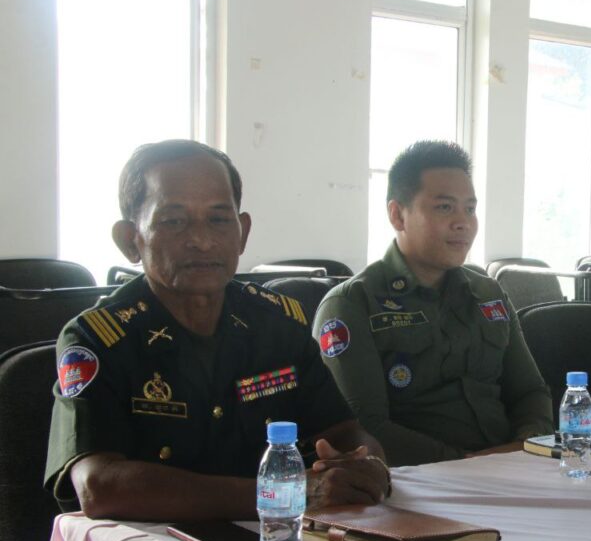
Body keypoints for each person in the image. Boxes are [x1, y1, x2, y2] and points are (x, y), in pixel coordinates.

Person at [44, 140, 390, 520]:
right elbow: (99, 486)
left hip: (275, 540)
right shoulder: (98, 338)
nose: (202, 240)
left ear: (242, 232)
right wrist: (284, 495)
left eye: (219, 220)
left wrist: (369, 463)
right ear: (130, 240)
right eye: (174, 221)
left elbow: (342, 432)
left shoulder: (279, 324)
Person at [314, 140, 552, 466]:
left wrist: (525, 446)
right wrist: (465, 463)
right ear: (397, 215)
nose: (463, 222)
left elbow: (530, 392)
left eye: (470, 209)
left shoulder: (488, 294)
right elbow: (363, 426)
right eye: (444, 207)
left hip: (510, 467)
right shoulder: (352, 304)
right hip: (417, 479)